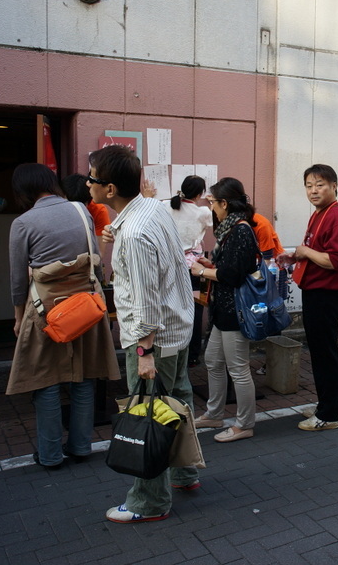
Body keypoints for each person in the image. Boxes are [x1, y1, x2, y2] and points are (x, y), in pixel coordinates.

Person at [88, 145, 198, 524]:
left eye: (92, 178)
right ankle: (186, 472)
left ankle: (148, 501)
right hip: (179, 324)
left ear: (110, 189)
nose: (87, 184)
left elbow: (146, 299)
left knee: (148, 412)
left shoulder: (133, 232)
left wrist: (145, 351)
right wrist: (114, 230)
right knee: (177, 401)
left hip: (154, 336)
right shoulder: (151, 207)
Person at [6, 164, 120, 469]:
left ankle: (50, 454)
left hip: (47, 312)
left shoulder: (23, 222)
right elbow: (96, 264)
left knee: (47, 381)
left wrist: (19, 318)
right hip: (85, 306)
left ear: (24, 191)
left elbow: (18, 280)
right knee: (83, 378)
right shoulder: (81, 211)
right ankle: (81, 446)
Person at [278, 165, 338, 431]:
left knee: (325, 353)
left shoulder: (337, 216)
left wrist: (305, 252)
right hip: (315, 291)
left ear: (334, 185)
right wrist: (295, 255)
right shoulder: (320, 214)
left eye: (319, 184)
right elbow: (313, 250)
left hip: (326, 294)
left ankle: (330, 415)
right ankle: (326, 404)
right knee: (320, 352)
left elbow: (336, 261)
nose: (313, 190)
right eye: (309, 185)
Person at [189, 177, 259, 442]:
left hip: (235, 310)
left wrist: (203, 270)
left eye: (213, 203)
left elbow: (233, 274)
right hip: (222, 310)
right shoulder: (229, 229)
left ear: (225, 203)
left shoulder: (240, 230)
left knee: (238, 368)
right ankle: (214, 413)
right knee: (214, 362)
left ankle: (245, 424)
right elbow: (228, 266)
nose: (211, 208)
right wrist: (210, 263)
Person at [167, 176, 213, 366]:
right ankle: (192, 355)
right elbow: (212, 220)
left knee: (172, 308)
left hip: (170, 266)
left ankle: (172, 352)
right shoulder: (202, 212)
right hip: (193, 268)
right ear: (199, 194)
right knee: (194, 311)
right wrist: (212, 203)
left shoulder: (167, 206)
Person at [62, 173, 112, 266]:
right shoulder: (55, 211)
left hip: (86, 265)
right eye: (72, 207)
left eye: (82, 206)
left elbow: (99, 253)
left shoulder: (98, 210)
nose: (77, 211)